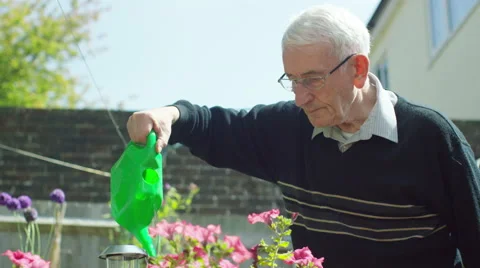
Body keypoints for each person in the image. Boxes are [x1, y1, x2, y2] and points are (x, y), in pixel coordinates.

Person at [126, 4, 480, 268]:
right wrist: (169, 115)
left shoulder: (433, 140)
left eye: (311, 79)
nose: (299, 96)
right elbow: (213, 126)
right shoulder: (288, 128)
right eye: (292, 80)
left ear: (358, 69)